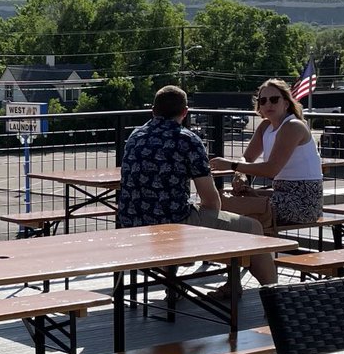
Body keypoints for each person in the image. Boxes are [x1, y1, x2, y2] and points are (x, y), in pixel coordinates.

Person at [119, 84, 277, 288]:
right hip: (172, 227)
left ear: (153, 111)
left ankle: (211, 286)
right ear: (185, 113)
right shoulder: (187, 139)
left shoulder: (135, 136)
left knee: (212, 219)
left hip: (132, 225)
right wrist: (210, 234)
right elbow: (210, 200)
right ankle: (276, 296)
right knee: (252, 227)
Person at [211, 77, 323, 234]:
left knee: (226, 205)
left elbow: (271, 169)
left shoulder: (293, 126)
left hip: (303, 203)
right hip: (279, 194)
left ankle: (250, 255)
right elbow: (247, 158)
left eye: (274, 99)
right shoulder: (265, 126)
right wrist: (240, 174)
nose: (268, 104)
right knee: (220, 199)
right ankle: (247, 254)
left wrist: (232, 165)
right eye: (263, 101)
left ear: (286, 103)